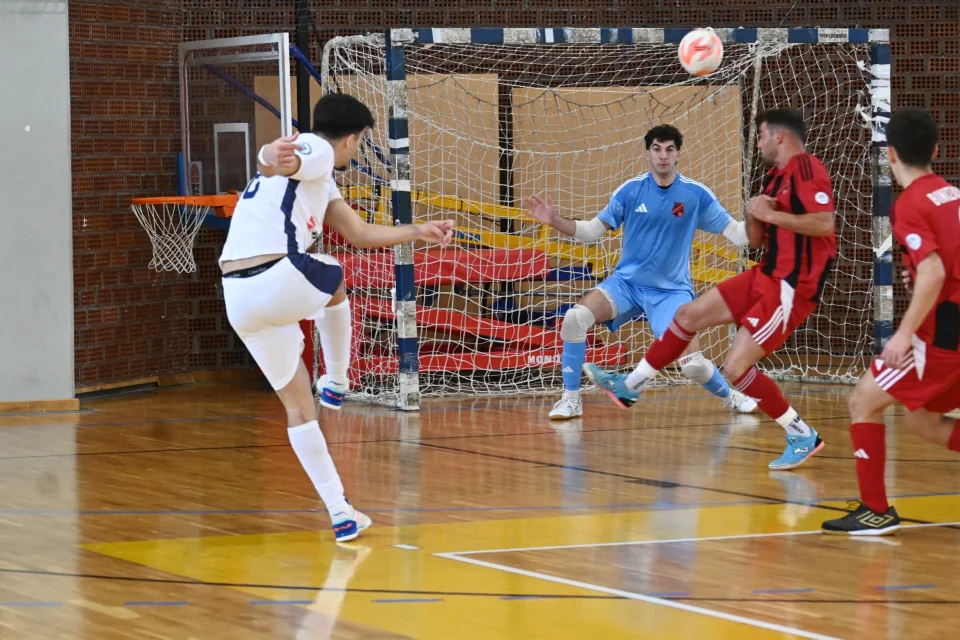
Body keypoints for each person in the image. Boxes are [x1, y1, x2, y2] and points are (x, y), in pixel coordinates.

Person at [219, 93, 453, 542]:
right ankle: (339, 379)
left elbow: (359, 233)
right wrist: (269, 153)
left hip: (239, 297)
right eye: (361, 142)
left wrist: (418, 231)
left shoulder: (320, 183)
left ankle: (340, 511)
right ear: (352, 138)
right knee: (333, 272)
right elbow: (280, 161)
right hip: (276, 275)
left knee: (298, 409)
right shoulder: (319, 149)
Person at [585, 109, 836, 471]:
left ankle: (800, 433)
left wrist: (771, 216)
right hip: (764, 273)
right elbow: (753, 239)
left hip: (790, 287)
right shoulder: (772, 179)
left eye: (763, 135)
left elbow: (823, 223)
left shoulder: (807, 168)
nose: (760, 141)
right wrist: (752, 214)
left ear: (779, 136)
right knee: (687, 315)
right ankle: (630, 386)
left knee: (735, 367)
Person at [524, 124, 758, 420]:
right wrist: (555, 220)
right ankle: (570, 400)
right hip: (627, 284)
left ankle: (731, 395)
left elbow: (737, 234)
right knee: (574, 318)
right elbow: (591, 232)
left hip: (671, 292)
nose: (663, 155)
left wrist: (766, 221)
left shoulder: (695, 194)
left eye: (669, 149)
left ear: (678, 155)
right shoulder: (631, 190)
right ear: (647, 153)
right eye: (657, 149)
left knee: (693, 365)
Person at [822, 108, 960, 535]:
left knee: (863, 401)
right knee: (921, 420)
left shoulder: (911, 203)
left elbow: (935, 272)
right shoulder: (951, 193)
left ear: (891, 154)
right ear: (936, 150)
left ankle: (876, 510)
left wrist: (902, 335)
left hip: (943, 328)